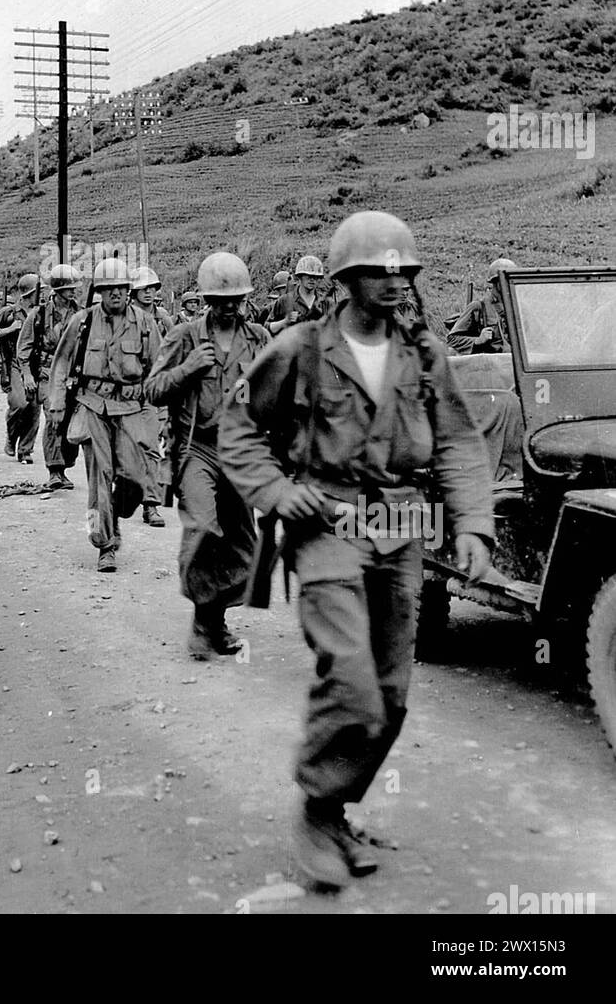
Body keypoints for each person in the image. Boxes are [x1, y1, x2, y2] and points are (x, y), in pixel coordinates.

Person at [218, 211, 494, 891]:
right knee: (351, 679)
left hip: (402, 533)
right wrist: (278, 492)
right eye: (380, 270)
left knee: (392, 698)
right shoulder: (300, 349)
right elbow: (240, 427)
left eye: (405, 270)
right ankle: (316, 809)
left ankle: (337, 809)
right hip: (326, 532)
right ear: (345, 279)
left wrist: (473, 528)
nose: (396, 282)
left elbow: (458, 442)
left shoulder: (424, 354)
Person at [146, 252, 268, 658]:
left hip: (242, 451)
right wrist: (188, 370)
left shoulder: (259, 340)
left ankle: (214, 621)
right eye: (220, 300)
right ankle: (203, 621)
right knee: (202, 529)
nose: (229, 307)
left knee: (244, 549)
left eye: (236, 300)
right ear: (205, 301)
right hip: (198, 448)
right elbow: (153, 389)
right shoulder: (184, 337)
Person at [46, 258, 162, 572]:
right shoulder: (82, 322)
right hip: (92, 405)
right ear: (99, 292)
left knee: (135, 481)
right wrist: (56, 403)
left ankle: (115, 515)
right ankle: (104, 544)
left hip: (131, 410)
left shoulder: (145, 324)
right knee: (100, 479)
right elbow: (60, 364)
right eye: (108, 289)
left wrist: (160, 415)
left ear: (129, 290)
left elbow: (159, 371)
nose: (115, 295)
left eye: (121, 289)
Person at [16, 264, 81, 490]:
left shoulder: (81, 314)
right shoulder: (39, 315)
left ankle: (64, 466)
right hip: (46, 374)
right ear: (57, 289)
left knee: (70, 423)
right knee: (54, 418)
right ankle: (54, 470)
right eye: (69, 288)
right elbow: (23, 348)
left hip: (73, 376)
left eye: (74, 288)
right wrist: (26, 375)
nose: (73, 292)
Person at [130, 266, 173, 526]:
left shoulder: (164, 318)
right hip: (123, 393)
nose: (148, 293)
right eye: (143, 289)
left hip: (152, 391)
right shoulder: (123, 317)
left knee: (151, 448)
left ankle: (151, 505)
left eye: (152, 288)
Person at [0, 275, 41, 462]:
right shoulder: (9, 312)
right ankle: (12, 437)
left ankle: (26, 450)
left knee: (34, 407)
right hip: (13, 364)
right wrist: (9, 329)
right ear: (29, 293)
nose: (42, 294)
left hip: (35, 366)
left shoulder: (42, 312)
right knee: (19, 403)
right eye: (38, 291)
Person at [446, 258, 518, 354]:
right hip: (489, 364)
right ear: (495, 282)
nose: (509, 283)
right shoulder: (478, 307)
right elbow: (452, 339)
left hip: (515, 364)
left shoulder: (519, 308)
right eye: (505, 279)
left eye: (511, 279)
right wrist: (478, 340)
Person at [267, 255, 326, 335]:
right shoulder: (284, 301)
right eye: (308, 275)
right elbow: (267, 328)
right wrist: (284, 322)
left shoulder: (325, 302)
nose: (312, 279)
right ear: (300, 276)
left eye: (315, 277)